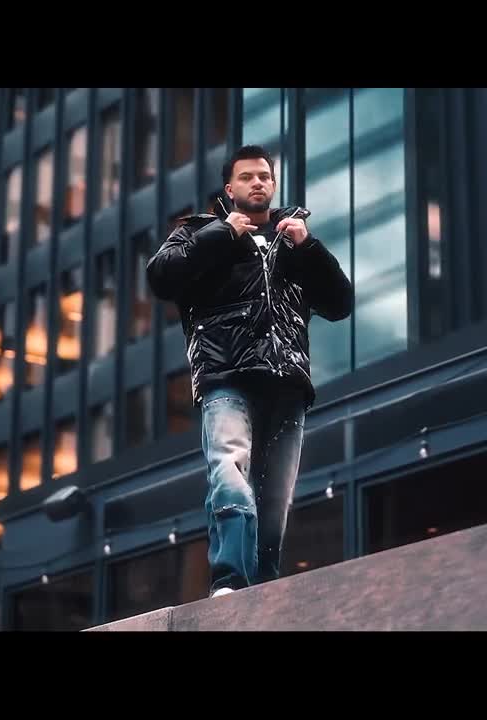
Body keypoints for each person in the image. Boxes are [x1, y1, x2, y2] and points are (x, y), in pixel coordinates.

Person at [146, 145, 353, 598]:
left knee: (276, 496)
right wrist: (220, 235)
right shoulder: (199, 232)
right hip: (226, 374)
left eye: (264, 176)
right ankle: (230, 580)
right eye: (247, 177)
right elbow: (160, 277)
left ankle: (262, 590)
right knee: (229, 469)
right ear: (230, 188)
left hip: (287, 381)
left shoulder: (293, 239)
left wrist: (309, 247)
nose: (257, 182)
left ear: (273, 184)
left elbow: (341, 304)